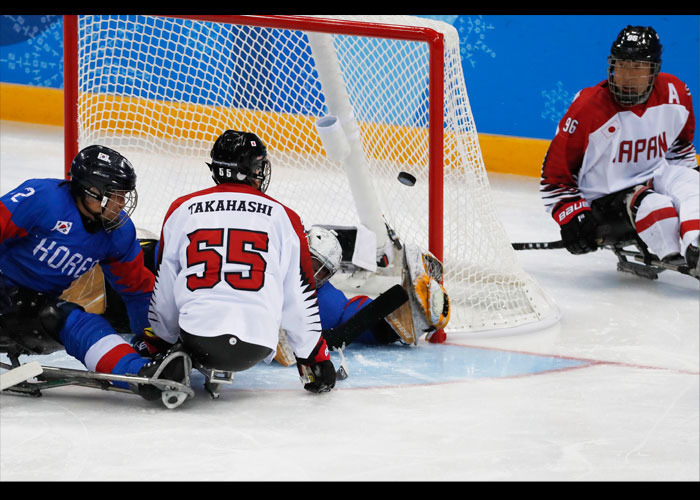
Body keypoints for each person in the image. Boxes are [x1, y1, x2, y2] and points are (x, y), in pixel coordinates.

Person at [142, 130, 336, 393]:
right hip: (255, 346)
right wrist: (314, 357)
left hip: (197, 338)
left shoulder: (182, 208)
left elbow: (164, 287)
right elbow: (299, 296)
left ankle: (178, 356)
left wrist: (160, 344)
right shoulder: (284, 216)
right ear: (253, 169)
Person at [0, 145, 190, 401]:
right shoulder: (43, 198)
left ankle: (143, 375)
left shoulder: (119, 233)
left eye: (124, 196)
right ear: (90, 191)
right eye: (115, 195)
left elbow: (137, 290)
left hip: (34, 309)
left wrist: (156, 340)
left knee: (82, 322)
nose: (121, 204)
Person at [540, 25, 699, 272]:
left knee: (694, 185)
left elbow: (680, 149)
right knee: (656, 207)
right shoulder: (588, 108)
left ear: (653, 71)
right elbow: (554, 177)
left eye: (637, 68)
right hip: (604, 199)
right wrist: (573, 217)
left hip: (654, 177)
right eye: (622, 65)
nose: (626, 76)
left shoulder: (675, 93)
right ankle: (672, 254)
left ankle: (696, 247)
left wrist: (685, 194)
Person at [305, 225, 450, 349]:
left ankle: (406, 321)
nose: (314, 272)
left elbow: (337, 336)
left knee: (350, 312)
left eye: (322, 270)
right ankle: (405, 323)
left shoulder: (313, 289)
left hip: (352, 313)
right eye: (312, 262)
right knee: (349, 317)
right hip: (347, 322)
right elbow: (335, 338)